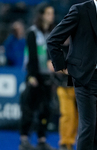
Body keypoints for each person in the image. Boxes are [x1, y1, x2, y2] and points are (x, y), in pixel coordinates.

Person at [47, 0, 97, 149]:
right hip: (86, 78)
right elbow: (53, 39)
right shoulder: (79, 10)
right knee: (88, 127)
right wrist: (62, 67)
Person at [19, 3, 56, 150]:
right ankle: (24, 140)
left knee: (46, 109)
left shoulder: (52, 32)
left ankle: (41, 140)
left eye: (52, 13)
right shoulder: (32, 32)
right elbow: (32, 56)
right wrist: (31, 76)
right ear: (41, 15)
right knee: (29, 108)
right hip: (35, 76)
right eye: (48, 13)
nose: (51, 16)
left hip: (48, 77)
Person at [47, 40, 78, 150]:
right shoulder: (55, 46)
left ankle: (70, 142)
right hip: (63, 86)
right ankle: (64, 143)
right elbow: (50, 65)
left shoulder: (76, 45)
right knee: (67, 114)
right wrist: (67, 70)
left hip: (78, 85)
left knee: (77, 116)